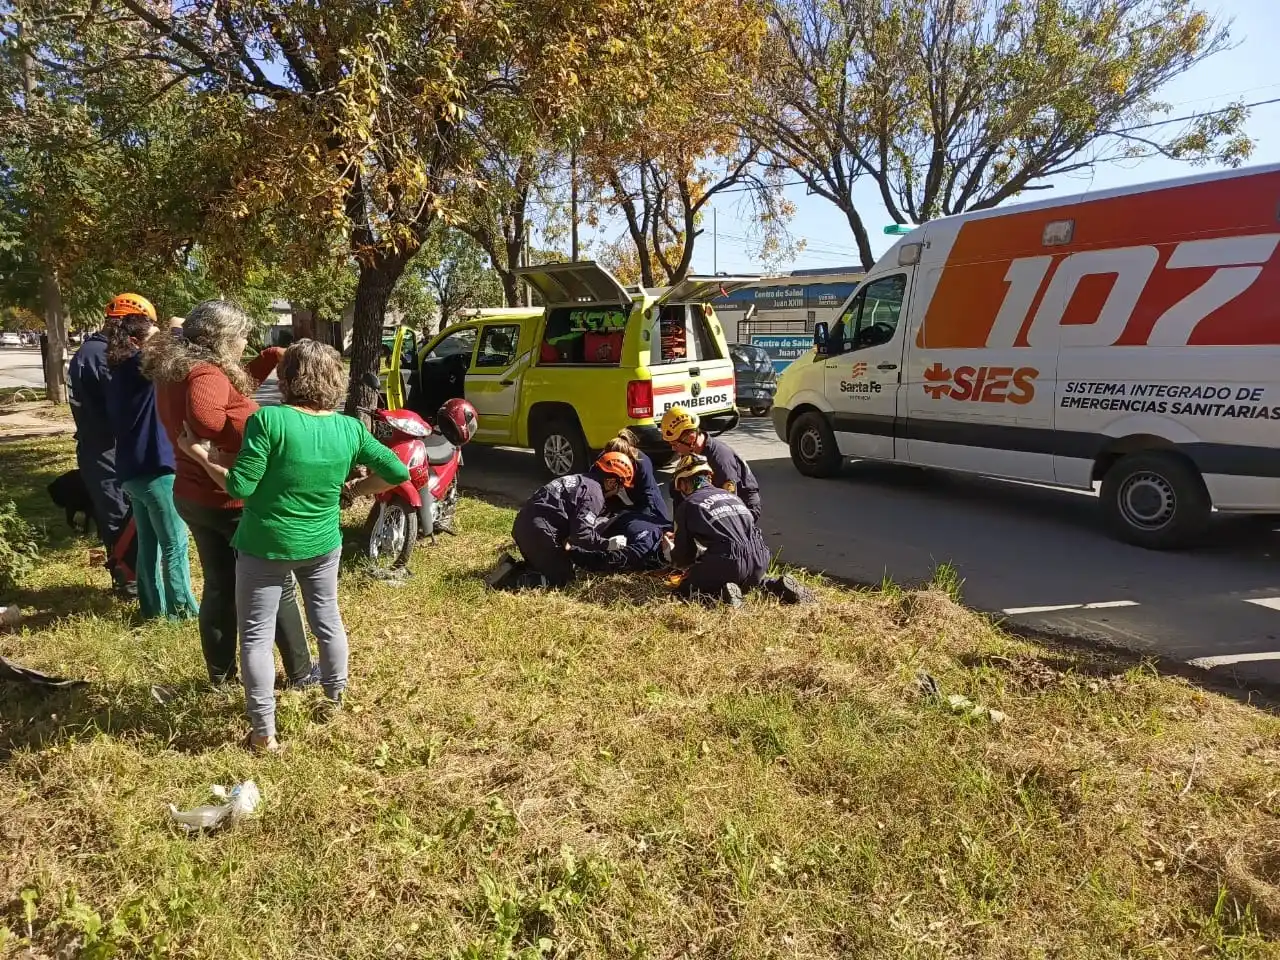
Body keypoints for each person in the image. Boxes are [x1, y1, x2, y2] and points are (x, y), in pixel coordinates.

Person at [178, 339, 411, 752]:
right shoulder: (350, 428)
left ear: (286, 378)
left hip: (264, 544)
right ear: (335, 380)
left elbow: (241, 487)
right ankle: (334, 701)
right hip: (322, 542)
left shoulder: (268, 422)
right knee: (327, 621)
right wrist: (359, 490)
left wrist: (198, 455)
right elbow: (395, 470)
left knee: (255, 636)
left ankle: (264, 731)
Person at [143, 300, 316, 688]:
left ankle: (221, 678)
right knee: (277, 583)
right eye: (241, 337)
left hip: (194, 495)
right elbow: (208, 414)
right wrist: (221, 447)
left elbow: (229, 394)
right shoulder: (206, 373)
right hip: (231, 500)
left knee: (220, 587)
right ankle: (302, 674)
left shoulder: (179, 367)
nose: (245, 343)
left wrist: (271, 357)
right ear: (221, 339)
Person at [104, 311, 199, 620]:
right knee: (175, 544)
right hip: (156, 470)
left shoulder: (120, 372)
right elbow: (169, 348)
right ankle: (182, 611)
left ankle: (152, 608)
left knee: (149, 543)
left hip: (132, 471)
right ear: (135, 342)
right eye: (152, 337)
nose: (158, 342)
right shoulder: (136, 366)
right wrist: (174, 327)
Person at [68, 294, 147, 596]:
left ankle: (128, 575)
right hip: (106, 450)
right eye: (138, 331)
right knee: (120, 515)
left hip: (98, 447)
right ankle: (129, 581)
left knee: (116, 513)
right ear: (125, 326)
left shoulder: (89, 350)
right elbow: (124, 407)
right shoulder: (100, 356)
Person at [663, 455, 809, 607]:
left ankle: (722, 594)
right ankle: (777, 585)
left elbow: (684, 557)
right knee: (751, 581)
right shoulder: (731, 496)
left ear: (683, 483)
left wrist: (670, 551)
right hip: (759, 556)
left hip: (727, 561)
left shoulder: (688, 505)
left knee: (685, 591)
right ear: (709, 477)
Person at [503, 455, 631, 589]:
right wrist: (607, 544)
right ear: (611, 482)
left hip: (524, 525)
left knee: (548, 564)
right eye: (619, 488)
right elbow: (582, 535)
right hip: (538, 532)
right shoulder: (595, 495)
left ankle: (511, 566)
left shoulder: (582, 480)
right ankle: (511, 580)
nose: (616, 493)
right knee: (564, 579)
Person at [572, 429, 672, 572]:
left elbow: (649, 497)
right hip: (620, 513)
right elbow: (594, 494)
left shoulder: (641, 463)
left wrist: (653, 523)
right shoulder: (602, 464)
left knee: (648, 529)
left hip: (643, 507)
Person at [659, 405, 762, 523]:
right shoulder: (691, 452)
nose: (673, 449)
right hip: (714, 498)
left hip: (742, 507)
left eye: (675, 444)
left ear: (690, 438)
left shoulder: (720, 460)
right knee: (677, 485)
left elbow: (729, 503)